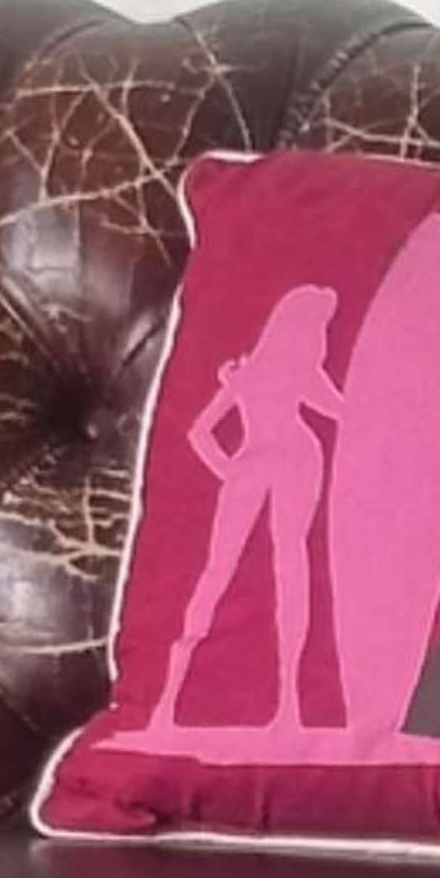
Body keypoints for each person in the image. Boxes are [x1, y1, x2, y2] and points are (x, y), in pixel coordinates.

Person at [148, 279, 346, 739]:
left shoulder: (259, 373)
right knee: (268, 569)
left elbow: (202, 431)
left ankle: (281, 708)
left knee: (259, 569)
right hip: (282, 460)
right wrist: (230, 471)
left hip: (271, 464)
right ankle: (275, 707)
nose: (322, 336)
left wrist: (232, 470)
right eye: (319, 326)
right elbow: (351, 412)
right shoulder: (280, 372)